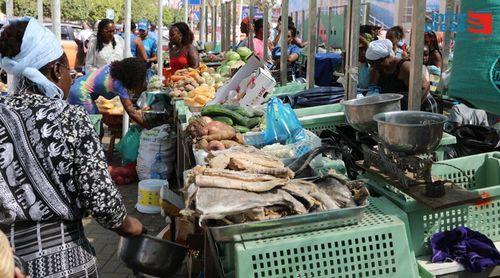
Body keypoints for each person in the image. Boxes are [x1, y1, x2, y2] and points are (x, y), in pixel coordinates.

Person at [0, 17, 143, 278]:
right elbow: (101, 199)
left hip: (8, 265)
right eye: (67, 71)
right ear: (56, 70)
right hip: (67, 262)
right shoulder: (71, 118)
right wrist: (128, 225)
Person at [69, 58, 152, 128]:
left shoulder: (113, 67)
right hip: (81, 93)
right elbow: (131, 112)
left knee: (88, 126)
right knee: (95, 128)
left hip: (77, 86)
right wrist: (149, 127)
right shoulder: (118, 84)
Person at [366, 39, 437, 112]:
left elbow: (424, 87)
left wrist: (411, 109)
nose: (373, 67)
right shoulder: (380, 69)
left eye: (375, 64)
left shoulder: (405, 68)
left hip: (422, 108)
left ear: (384, 58)